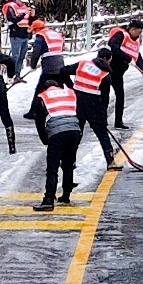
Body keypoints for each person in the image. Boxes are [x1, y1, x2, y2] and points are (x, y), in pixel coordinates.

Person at [29, 71, 83, 211]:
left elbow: (39, 121)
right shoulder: (69, 93)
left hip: (57, 133)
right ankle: (66, 194)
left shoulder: (43, 97)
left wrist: (44, 139)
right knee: (68, 163)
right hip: (74, 131)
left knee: (52, 167)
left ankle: (48, 199)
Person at [71, 48, 120, 168]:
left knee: (77, 134)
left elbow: (63, 71)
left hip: (78, 104)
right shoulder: (105, 75)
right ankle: (110, 162)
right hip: (94, 107)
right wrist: (103, 116)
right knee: (102, 134)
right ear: (105, 59)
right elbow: (105, 99)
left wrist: (72, 87)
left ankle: (69, 160)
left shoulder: (82, 64)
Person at [100, 17, 143, 129]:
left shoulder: (135, 42)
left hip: (118, 74)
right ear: (131, 29)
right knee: (104, 98)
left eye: (140, 32)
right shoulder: (120, 35)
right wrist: (127, 59)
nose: (138, 34)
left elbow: (137, 56)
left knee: (120, 96)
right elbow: (114, 49)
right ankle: (101, 121)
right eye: (137, 31)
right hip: (107, 71)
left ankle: (118, 121)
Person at [2, 0, 34, 77]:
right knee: (15, 57)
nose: (23, 3)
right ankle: (11, 76)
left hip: (24, 35)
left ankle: (17, 75)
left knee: (21, 57)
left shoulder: (26, 8)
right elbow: (13, 19)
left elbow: (29, 21)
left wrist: (32, 15)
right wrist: (23, 14)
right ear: (17, 0)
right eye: (22, 1)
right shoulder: (11, 7)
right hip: (16, 35)